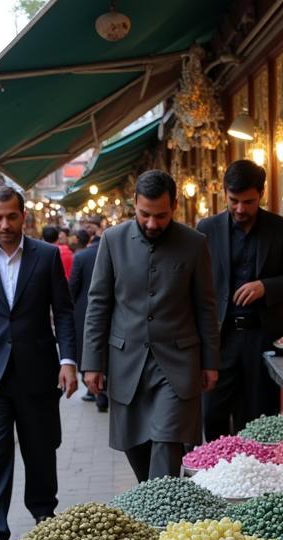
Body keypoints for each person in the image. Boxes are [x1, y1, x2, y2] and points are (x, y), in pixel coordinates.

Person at [0, 185, 76, 540]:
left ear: (24, 216)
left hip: (38, 369)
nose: (4, 224)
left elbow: (65, 312)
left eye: (11, 216)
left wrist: (68, 360)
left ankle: (44, 517)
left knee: (40, 448)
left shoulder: (46, 255)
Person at [82, 170, 219, 482]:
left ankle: (162, 520)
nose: (153, 224)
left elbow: (206, 306)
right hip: (126, 362)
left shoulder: (194, 244)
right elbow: (98, 304)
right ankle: (154, 500)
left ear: (174, 207)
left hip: (178, 363)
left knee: (167, 441)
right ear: (134, 204)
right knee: (137, 449)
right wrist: (92, 363)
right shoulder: (112, 240)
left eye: (161, 215)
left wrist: (211, 361)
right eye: (145, 215)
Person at [197, 160, 283, 440]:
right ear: (225, 194)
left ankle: (258, 474)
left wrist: (265, 286)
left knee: (260, 416)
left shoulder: (280, 228)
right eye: (234, 201)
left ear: (262, 194)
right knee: (213, 415)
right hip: (221, 337)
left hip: (262, 336)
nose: (240, 209)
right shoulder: (206, 228)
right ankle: (217, 475)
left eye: (249, 202)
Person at [68, 228, 106, 410]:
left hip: (84, 311)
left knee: (87, 348)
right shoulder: (112, 252)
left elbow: (72, 287)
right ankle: (103, 389)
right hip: (112, 311)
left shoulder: (81, 257)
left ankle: (95, 391)